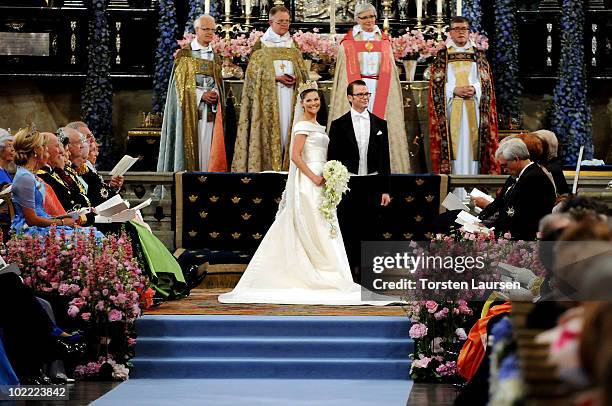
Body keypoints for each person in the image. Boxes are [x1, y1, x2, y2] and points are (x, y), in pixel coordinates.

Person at [220, 82, 383, 305]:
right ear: (302, 104)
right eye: (309, 100)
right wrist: (314, 177)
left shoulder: (319, 126)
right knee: (311, 222)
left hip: (323, 178)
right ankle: (310, 271)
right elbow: (296, 156)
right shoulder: (302, 125)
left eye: (316, 99)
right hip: (309, 180)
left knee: (324, 224)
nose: (314, 103)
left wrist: (330, 174)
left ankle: (329, 271)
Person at [328, 3, 411, 174]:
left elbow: (391, 72)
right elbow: (343, 75)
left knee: (380, 130)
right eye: (364, 17)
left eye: (372, 16)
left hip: (380, 88)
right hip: (357, 89)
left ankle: (387, 172)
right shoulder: (348, 43)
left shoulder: (384, 41)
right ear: (357, 19)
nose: (369, 20)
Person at [231, 5, 309, 172]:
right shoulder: (261, 46)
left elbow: (303, 73)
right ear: (270, 22)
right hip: (267, 101)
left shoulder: (293, 45)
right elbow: (251, 78)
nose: (284, 25)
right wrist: (274, 78)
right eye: (280, 21)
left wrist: (297, 78)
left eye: (287, 21)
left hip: (291, 97)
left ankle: (290, 169)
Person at [328, 80, 391, 279]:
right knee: (349, 229)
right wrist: (335, 188)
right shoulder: (338, 125)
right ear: (350, 98)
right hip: (349, 184)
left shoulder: (380, 124)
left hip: (372, 184)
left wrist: (385, 189)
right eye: (360, 94)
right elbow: (332, 158)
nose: (365, 97)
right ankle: (350, 275)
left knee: (371, 229)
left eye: (367, 94)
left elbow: (384, 159)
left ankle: (368, 276)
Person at [429, 16, 499, 176]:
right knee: (455, 148)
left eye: (464, 29)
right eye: (457, 29)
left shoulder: (479, 56)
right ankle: (454, 194)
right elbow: (435, 86)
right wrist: (454, 90)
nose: (461, 32)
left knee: (473, 147)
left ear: (469, 32)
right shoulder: (442, 56)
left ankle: (476, 191)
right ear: (450, 33)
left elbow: (487, 83)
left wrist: (475, 88)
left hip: (475, 109)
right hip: (451, 108)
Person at [157, 15, 226, 172]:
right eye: (205, 29)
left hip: (210, 115)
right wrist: (201, 95)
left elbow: (219, 84)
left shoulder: (215, 57)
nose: (209, 32)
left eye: (212, 29)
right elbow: (178, 89)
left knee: (209, 151)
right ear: (196, 30)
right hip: (189, 115)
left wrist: (215, 93)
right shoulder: (185, 55)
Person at [10, 125, 101, 237]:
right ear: (36, 150)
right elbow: (31, 220)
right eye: (43, 146)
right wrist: (62, 222)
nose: (46, 150)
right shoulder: (25, 177)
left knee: (94, 234)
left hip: (44, 225)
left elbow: (41, 214)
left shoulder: (29, 175)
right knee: (95, 237)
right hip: (33, 231)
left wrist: (66, 218)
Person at [478, 138, 555, 240]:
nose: (504, 170)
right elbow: (501, 202)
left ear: (516, 159)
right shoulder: (519, 175)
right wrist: (481, 221)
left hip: (525, 238)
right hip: (514, 233)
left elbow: (518, 214)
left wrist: (492, 232)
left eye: (505, 165)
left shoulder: (534, 178)